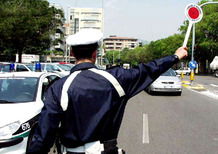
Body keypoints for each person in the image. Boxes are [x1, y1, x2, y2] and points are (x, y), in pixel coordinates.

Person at [26, 29, 188, 154]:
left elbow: (44, 134)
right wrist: (175, 56)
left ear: (72, 53)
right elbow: (148, 69)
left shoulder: (59, 87)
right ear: (95, 54)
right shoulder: (116, 79)